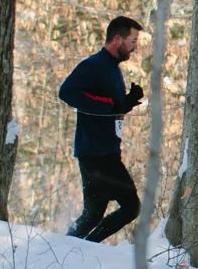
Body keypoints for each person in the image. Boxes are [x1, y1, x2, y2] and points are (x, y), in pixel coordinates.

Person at [58, 15, 147, 242]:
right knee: (131, 206)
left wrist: (129, 101)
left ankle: (67, 247)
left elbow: (112, 110)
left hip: (102, 150)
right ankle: (87, 246)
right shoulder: (94, 65)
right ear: (118, 39)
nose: (135, 47)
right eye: (133, 41)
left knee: (93, 214)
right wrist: (108, 105)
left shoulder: (113, 68)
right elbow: (67, 92)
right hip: (97, 151)